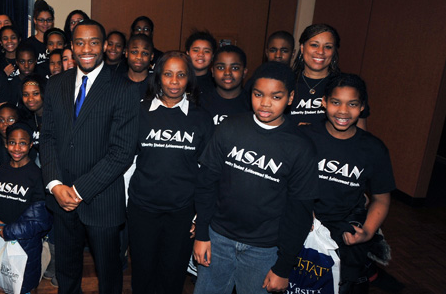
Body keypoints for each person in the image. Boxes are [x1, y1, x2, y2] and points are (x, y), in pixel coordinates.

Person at [193, 61, 318, 294]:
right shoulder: (230, 128)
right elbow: (206, 183)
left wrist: (283, 267)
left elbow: (299, 212)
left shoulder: (300, 147)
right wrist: (201, 234)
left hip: (264, 250)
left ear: (290, 98)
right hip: (218, 239)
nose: (265, 103)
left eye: (276, 96)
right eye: (259, 94)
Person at [41, 19, 139, 294]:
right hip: (61, 199)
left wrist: (78, 190)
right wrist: (55, 185)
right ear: (71, 46)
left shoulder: (125, 89)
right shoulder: (55, 84)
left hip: (102, 200)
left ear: (106, 47)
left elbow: (122, 153)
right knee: (67, 272)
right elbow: (47, 138)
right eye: (80, 42)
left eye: (94, 42)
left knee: (109, 275)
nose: (87, 48)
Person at [128, 51, 213, 294]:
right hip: (142, 208)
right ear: (158, 77)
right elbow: (126, 161)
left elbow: (208, 173)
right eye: (168, 74)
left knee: (173, 275)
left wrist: (200, 216)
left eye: (181, 75)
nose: (174, 81)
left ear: (189, 79)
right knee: (143, 273)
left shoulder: (201, 119)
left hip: (182, 213)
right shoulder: (139, 112)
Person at [302, 73, 395, 294]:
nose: (343, 111)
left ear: (362, 107)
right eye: (336, 102)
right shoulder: (305, 137)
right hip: (302, 229)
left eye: (352, 104)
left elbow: (381, 197)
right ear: (324, 102)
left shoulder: (373, 149)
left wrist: (368, 232)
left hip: (344, 234)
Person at [0, 123, 52, 294]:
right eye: (12, 142)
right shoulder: (1, 170)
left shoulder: (38, 175)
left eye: (22, 143)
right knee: (4, 279)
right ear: (6, 144)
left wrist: (6, 230)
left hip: (25, 244)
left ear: (31, 145)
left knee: (23, 284)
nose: (17, 148)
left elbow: (39, 220)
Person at [291, 23, 368, 128]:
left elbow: (359, 135)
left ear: (334, 52)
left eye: (328, 47)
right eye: (314, 45)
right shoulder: (285, 82)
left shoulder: (348, 87)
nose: (321, 52)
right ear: (302, 48)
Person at [201, 45, 251, 126]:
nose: (227, 73)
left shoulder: (252, 104)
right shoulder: (200, 103)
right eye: (220, 67)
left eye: (235, 68)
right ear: (213, 71)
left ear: (244, 72)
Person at [25, 0, 55, 75]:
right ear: (35, 20)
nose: (45, 23)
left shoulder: (57, 42)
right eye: (41, 20)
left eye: (48, 20)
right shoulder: (28, 44)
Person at [185, 30, 217, 96]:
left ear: (213, 56)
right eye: (196, 50)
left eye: (206, 51)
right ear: (187, 53)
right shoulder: (178, 78)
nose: (201, 54)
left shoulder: (218, 83)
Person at [123, 34, 154, 99]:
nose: (139, 57)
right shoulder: (116, 82)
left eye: (145, 53)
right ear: (126, 53)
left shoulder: (157, 84)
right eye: (134, 52)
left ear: (151, 56)